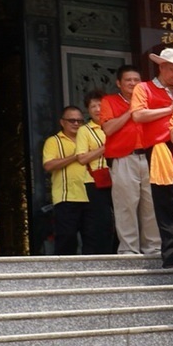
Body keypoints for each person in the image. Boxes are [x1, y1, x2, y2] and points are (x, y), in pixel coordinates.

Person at [131, 47, 173, 279]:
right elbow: (138, 116)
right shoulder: (144, 88)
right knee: (164, 203)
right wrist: (169, 109)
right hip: (160, 149)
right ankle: (170, 255)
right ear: (161, 67)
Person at [100, 64, 158, 256]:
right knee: (126, 205)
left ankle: (153, 247)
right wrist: (131, 111)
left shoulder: (148, 101)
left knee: (150, 203)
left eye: (136, 80)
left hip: (150, 157)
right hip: (124, 158)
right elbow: (108, 129)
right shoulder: (109, 101)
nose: (132, 83)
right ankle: (128, 249)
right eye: (128, 80)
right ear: (119, 83)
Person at [42, 106, 90, 255]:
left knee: (92, 239)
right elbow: (48, 165)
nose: (76, 124)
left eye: (80, 121)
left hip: (90, 196)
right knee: (67, 238)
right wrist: (75, 156)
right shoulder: (54, 141)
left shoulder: (88, 138)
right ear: (62, 122)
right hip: (66, 197)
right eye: (72, 120)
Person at [76, 90, 116, 255]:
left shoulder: (114, 124)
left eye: (100, 105)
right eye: (93, 106)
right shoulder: (85, 131)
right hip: (95, 180)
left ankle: (118, 250)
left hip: (117, 176)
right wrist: (104, 149)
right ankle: (103, 253)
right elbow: (82, 158)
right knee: (102, 219)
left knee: (121, 217)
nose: (97, 109)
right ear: (88, 109)